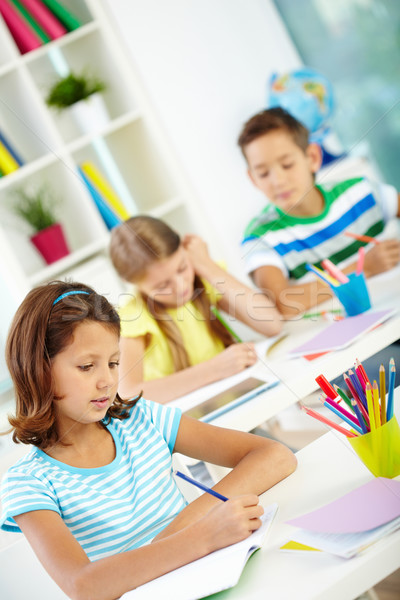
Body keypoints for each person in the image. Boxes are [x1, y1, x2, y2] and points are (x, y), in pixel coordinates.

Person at [0, 281, 296, 600]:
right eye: (87, 366)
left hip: (216, 578)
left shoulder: (143, 420)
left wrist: (189, 521)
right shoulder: (28, 483)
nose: (107, 381)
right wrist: (200, 537)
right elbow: (82, 586)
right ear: (39, 369)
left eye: (114, 363)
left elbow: (276, 456)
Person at [238, 107, 400, 317]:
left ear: (312, 157)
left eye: (287, 165)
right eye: (263, 173)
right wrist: (363, 268)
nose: (278, 181)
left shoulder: (359, 192)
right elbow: (283, 303)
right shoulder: (260, 237)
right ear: (253, 179)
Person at [109, 216, 282, 403]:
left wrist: (205, 264)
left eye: (182, 268)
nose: (181, 285)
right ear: (134, 284)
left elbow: (272, 324)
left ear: (184, 249)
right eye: (162, 285)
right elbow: (127, 392)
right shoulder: (133, 317)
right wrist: (214, 370)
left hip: (233, 400)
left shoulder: (202, 280)